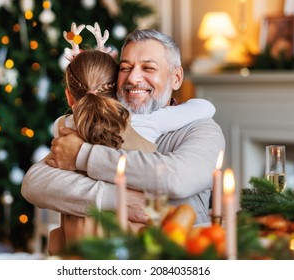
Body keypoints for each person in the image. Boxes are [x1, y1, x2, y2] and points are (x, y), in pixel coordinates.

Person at [21, 27, 225, 253]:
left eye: (148, 68)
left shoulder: (202, 128)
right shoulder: (102, 125)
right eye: (125, 68)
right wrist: (120, 200)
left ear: (176, 78)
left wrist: (82, 155)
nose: (133, 78)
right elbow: (35, 183)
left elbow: (176, 178)